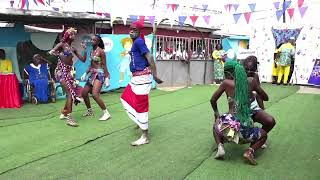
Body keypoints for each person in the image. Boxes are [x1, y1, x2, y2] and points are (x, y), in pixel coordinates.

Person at [210, 61, 269, 165]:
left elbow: (212, 100)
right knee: (264, 135)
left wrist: (216, 114)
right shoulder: (251, 82)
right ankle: (249, 151)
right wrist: (253, 93)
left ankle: (220, 147)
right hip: (243, 133)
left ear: (229, 73)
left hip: (229, 129)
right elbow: (265, 98)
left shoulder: (226, 83)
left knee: (216, 125)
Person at [120, 21, 163, 146]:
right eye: (130, 29)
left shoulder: (138, 41)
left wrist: (155, 75)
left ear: (139, 32)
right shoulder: (136, 43)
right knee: (126, 98)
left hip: (142, 78)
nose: (131, 31)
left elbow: (149, 57)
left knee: (141, 105)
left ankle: (145, 136)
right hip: (137, 78)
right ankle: (140, 122)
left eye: (134, 29)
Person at [49, 27, 83, 127]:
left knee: (73, 92)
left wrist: (84, 51)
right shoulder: (62, 44)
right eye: (72, 34)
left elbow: (83, 59)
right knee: (70, 94)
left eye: (74, 34)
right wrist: (59, 53)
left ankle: (64, 112)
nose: (73, 36)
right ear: (67, 35)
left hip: (68, 72)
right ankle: (69, 118)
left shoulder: (72, 48)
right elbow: (51, 52)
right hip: (60, 72)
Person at [243, 56, 276, 148]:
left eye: (252, 69)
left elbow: (260, 94)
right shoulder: (239, 76)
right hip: (241, 109)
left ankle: (258, 138)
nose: (249, 71)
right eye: (247, 69)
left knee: (269, 121)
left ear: (255, 69)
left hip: (253, 107)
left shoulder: (255, 77)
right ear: (243, 67)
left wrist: (261, 109)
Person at [76, 35, 111, 121]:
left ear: (98, 42)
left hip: (100, 74)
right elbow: (91, 65)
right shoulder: (92, 51)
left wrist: (107, 77)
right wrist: (85, 73)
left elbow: (104, 65)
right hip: (92, 74)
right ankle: (90, 111)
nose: (92, 41)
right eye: (91, 40)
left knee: (95, 94)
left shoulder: (101, 51)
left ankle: (106, 113)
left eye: (94, 40)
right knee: (84, 93)